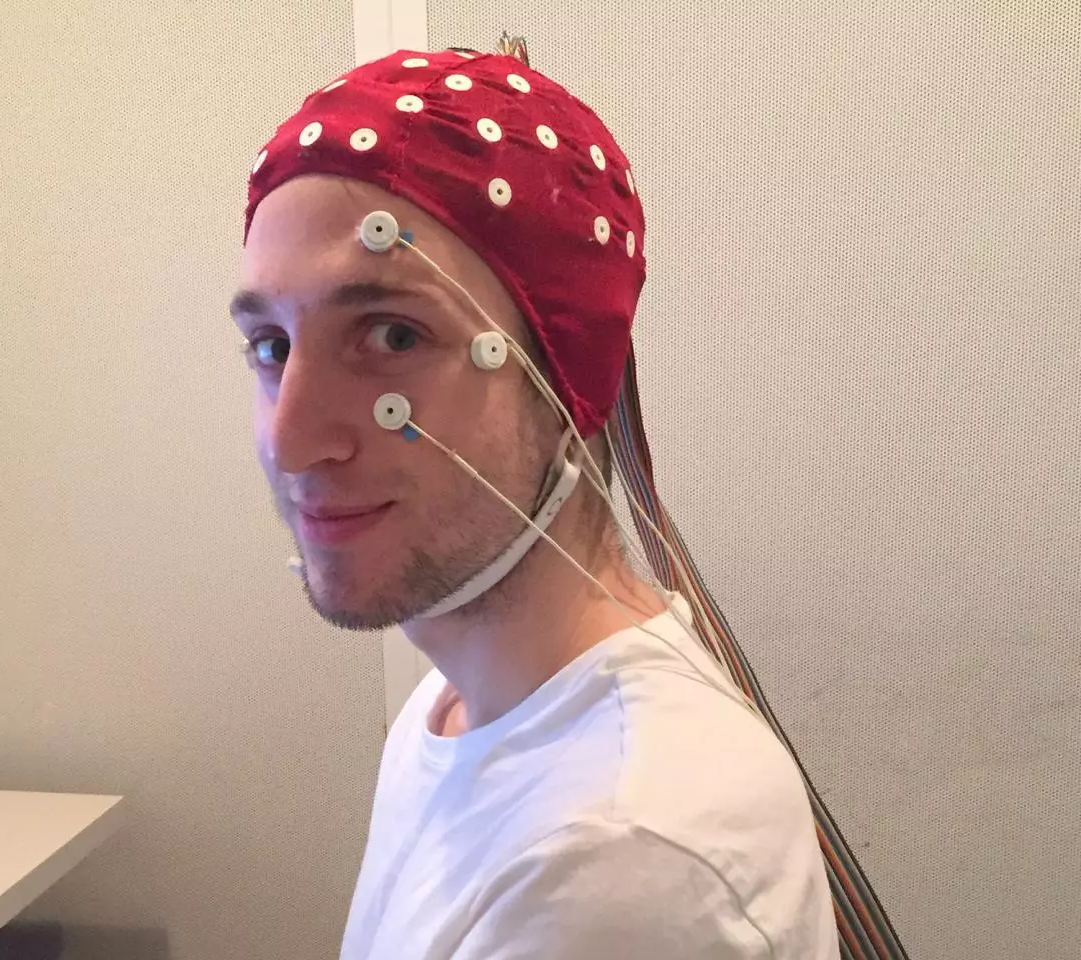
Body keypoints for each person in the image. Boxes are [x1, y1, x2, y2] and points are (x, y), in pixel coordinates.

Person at [231, 47, 843, 958]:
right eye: (272, 347)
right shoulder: (453, 708)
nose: (290, 440)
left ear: (569, 379)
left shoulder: (617, 861)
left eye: (392, 335)